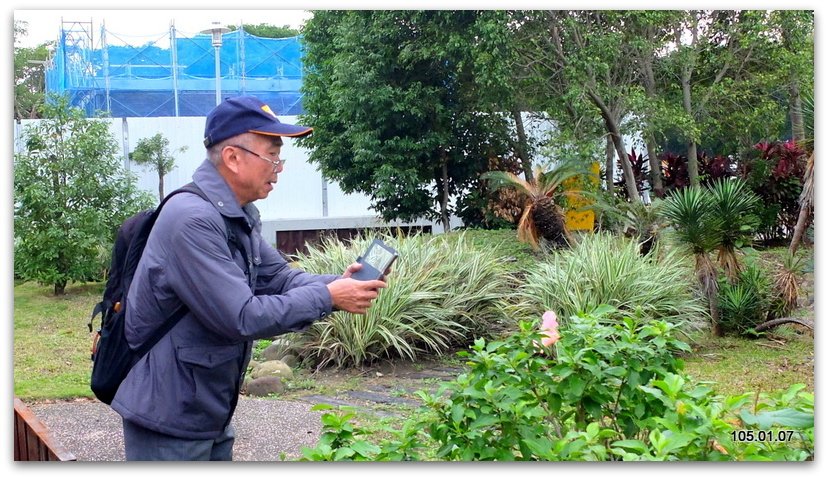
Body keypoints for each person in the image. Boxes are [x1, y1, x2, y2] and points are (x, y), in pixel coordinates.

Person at [110, 95, 387, 461]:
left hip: (203, 409)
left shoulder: (234, 215)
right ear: (233, 158)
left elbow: (281, 280)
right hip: (168, 418)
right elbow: (242, 316)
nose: (279, 167)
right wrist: (330, 297)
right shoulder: (192, 219)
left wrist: (341, 282)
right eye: (272, 155)